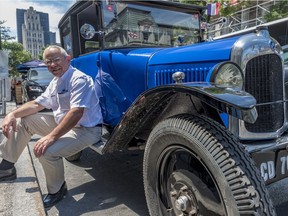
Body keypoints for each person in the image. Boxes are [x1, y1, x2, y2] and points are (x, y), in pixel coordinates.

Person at [0, 45, 103, 208]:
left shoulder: (79, 79)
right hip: (65, 125)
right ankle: (6, 167)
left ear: (67, 59)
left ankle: (58, 190)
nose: (52, 65)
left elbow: (76, 112)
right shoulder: (55, 82)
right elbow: (36, 104)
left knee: (45, 151)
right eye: (48, 62)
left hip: (86, 130)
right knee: (25, 119)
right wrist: (11, 115)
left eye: (56, 60)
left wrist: (51, 137)